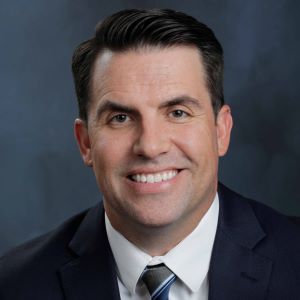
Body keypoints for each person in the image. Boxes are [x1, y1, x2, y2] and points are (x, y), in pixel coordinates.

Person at [0, 8, 299, 300]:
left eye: (178, 113)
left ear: (221, 131)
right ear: (86, 143)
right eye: (120, 118)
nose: (150, 146)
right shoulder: (14, 284)